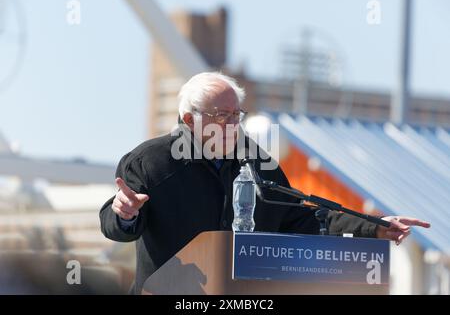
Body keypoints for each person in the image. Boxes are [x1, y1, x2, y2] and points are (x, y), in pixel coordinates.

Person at [99, 72, 430, 294]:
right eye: (222, 115)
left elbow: (298, 218)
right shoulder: (151, 161)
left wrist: (372, 226)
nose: (232, 124)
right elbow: (116, 223)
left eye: (236, 114)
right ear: (190, 119)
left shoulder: (256, 160)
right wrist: (125, 213)